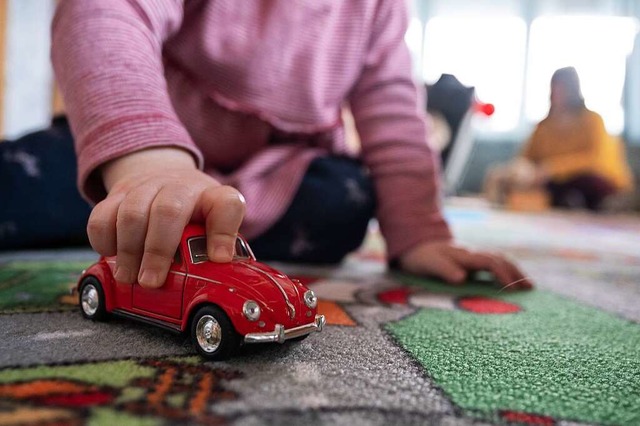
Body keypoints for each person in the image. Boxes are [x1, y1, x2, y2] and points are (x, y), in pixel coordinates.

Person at [49, 0, 531, 291]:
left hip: (276, 171)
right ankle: (131, 213)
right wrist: (148, 162)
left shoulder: (378, 10)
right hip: (141, 150)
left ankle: (157, 226)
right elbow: (107, 15)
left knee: (346, 199)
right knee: (41, 171)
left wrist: (421, 234)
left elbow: (394, 113)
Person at [485, 67, 634, 210]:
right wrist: (515, 172)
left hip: (598, 181)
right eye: (555, 87)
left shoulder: (593, 120)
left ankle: (606, 203)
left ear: (573, 89)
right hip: (555, 183)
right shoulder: (543, 126)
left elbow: (593, 159)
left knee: (585, 182)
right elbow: (526, 159)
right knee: (544, 185)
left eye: (563, 87)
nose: (558, 91)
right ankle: (568, 201)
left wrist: (551, 169)